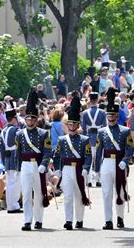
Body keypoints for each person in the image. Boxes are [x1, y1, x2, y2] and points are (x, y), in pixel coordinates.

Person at [94, 88, 134, 230]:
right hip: (107, 163)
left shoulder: (125, 130)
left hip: (119, 163)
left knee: (120, 192)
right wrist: (96, 169)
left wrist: (125, 160)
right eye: (108, 115)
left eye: (113, 115)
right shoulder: (101, 132)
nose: (110, 117)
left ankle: (120, 218)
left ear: (117, 115)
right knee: (106, 193)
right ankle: (108, 220)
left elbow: (130, 148)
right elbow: (98, 151)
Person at [53, 94, 92, 230]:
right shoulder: (62, 140)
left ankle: (79, 220)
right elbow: (57, 155)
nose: (71, 126)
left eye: (74, 124)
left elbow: (88, 156)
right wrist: (58, 169)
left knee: (79, 195)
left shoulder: (84, 139)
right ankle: (68, 220)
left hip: (79, 168)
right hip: (67, 169)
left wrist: (86, 168)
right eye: (69, 124)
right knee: (68, 195)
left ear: (77, 125)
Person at [16, 89, 52, 231]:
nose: (30, 121)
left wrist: (44, 164)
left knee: (39, 193)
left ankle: (38, 219)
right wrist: (18, 169)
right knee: (26, 194)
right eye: (28, 118)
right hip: (25, 165)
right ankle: (27, 220)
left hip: (38, 165)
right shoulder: (20, 134)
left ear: (36, 120)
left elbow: (48, 151)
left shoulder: (44, 134)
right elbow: (18, 153)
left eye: (32, 119)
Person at [0, 102, 22, 214]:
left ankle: (11, 204)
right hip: (15, 156)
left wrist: (3, 161)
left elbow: (1, 148)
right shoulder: (16, 130)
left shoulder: (3, 131)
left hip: (7, 158)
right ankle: (13, 205)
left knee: (10, 182)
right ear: (14, 118)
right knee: (15, 182)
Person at [81, 92, 106, 187]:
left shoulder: (85, 113)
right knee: (98, 159)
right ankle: (98, 179)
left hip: (89, 137)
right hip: (99, 138)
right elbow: (104, 127)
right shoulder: (102, 112)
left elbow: (83, 128)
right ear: (97, 99)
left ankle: (89, 181)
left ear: (89, 100)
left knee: (88, 159)